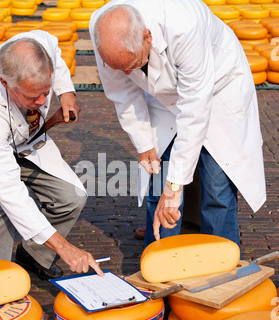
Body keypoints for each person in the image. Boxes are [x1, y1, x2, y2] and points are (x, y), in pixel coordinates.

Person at [89, 0, 266, 249]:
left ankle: (222, 258)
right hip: (162, 98)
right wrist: (144, 143)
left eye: (132, 66)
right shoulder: (102, 29)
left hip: (217, 90)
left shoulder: (185, 25)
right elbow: (122, 94)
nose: (128, 74)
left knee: (216, 184)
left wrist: (175, 186)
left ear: (147, 37)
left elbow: (194, 111)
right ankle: (158, 255)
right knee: (158, 177)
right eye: (121, 69)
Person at [0, 30, 103, 279]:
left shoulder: (39, 43)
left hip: (26, 143)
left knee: (72, 196)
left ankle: (34, 255)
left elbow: (55, 53)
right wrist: (64, 247)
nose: (42, 100)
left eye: (46, 91)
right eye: (31, 96)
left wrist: (67, 91)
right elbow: (9, 189)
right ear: (5, 83)